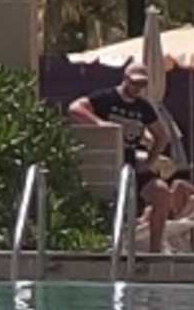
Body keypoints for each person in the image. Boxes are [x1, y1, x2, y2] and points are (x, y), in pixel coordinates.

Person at [69, 64, 180, 251]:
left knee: (161, 192)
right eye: (135, 83)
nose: (137, 88)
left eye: (142, 84)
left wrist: (150, 161)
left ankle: (155, 249)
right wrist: (99, 123)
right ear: (125, 79)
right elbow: (75, 108)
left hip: (131, 164)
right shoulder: (107, 98)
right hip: (108, 164)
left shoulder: (143, 107)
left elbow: (162, 136)